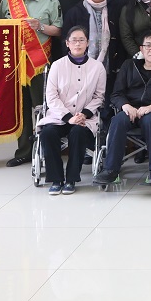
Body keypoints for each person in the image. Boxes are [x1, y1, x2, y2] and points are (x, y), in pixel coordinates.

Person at [94, 30, 151, 187]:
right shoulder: (129, 66)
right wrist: (126, 105)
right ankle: (110, 170)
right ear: (141, 49)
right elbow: (116, 94)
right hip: (130, 110)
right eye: (148, 46)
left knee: (150, 120)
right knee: (118, 119)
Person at [0, 0, 63, 168]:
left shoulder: (50, 1)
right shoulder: (7, 1)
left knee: (44, 107)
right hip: (14, 65)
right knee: (21, 109)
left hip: (39, 64)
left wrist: (40, 26)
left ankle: (47, 149)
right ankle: (24, 151)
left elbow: (58, 30)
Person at [36, 26, 105, 195]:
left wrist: (84, 114)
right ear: (67, 43)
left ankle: (71, 179)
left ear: (87, 43)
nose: (78, 44)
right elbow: (51, 97)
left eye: (81, 40)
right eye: (74, 40)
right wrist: (68, 117)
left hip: (84, 118)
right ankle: (56, 179)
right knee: (47, 134)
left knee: (78, 133)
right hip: (58, 116)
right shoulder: (57, 66)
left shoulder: (97, 67)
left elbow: (99, 96)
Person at [63, 0, 116, 72]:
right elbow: (65, 41)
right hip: (79, 68)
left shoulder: (114, 11)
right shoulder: (75, 12)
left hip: (109, 67)